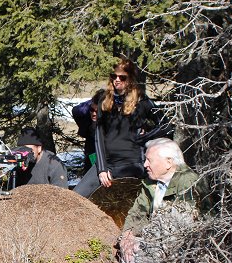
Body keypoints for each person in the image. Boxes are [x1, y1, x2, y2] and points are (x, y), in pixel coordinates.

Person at [73, 57, 172, 197]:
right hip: (108, 164)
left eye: (122, 77)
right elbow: (99, 136)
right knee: (77, 195)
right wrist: (101, 169)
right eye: (114, 76)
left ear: (130, 79)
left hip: (133, 164)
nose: (117, 80)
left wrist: (145, 137)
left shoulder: (142, 101)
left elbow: (166, 125)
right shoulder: (104, 100)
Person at [118, 138, 203, 263]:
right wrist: (127, 236)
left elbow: (182, 226)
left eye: (149, 160)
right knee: (128, 251)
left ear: (168, 162)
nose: (145, 164)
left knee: (137, 255)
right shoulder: (151, 183)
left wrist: (145, 243)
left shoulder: (188, 182)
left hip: (182, 248)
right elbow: (137, 213)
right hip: (155, 239)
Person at [71, 89, 105, 172]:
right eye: (92, 110)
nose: (94, 113)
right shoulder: (85, 111)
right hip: (92, 151)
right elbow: (75, 110)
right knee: (92, 170)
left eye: (97, 111)